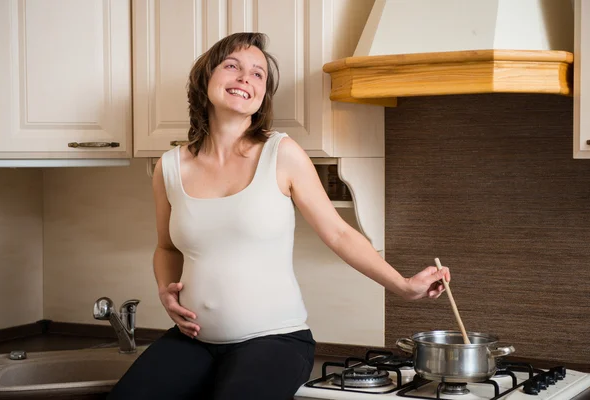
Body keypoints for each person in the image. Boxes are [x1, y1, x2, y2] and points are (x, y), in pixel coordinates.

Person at [107, 32, 450, 400]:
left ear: (262, 96)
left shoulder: (281, 154)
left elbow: (339, 234)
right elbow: (166, 248)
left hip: (276, 342)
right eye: (232, 66)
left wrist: (403, 284)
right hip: (193, 341)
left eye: (258, 74)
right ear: (205, 78)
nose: (245, 78)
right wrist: (165, 290)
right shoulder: (169, 167)